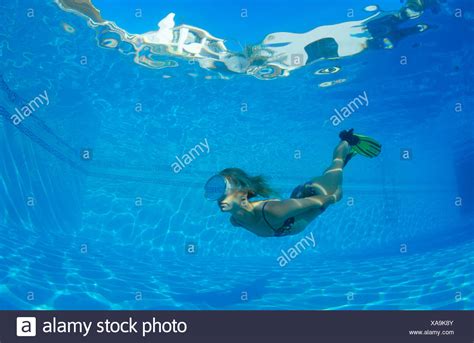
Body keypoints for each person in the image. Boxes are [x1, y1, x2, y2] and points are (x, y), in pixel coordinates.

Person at [204, 130, 382, 237]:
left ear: (243, 192)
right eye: (217, 190)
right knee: (333, 174)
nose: (220, 197)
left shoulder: (274, 211)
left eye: (224, 190)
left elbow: (320, 201)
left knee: (336, 166)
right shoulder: (236, 221)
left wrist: (335, 197)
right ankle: (341, 165)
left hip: (316, 195)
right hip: (296, 203)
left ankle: (347, 139)